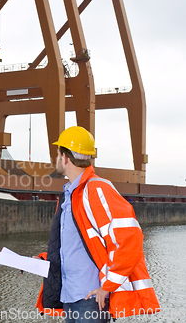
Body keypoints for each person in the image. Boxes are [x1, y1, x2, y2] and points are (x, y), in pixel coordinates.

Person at [35, 126, 160, 322]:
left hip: (90, 299)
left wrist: (108, 286)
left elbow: (130, 239)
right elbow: (79, 245)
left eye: (58, 153)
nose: (57, 159)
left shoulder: (97, 189)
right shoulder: (69, 195)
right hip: (69, 296)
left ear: (65, 158)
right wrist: (44, 259)